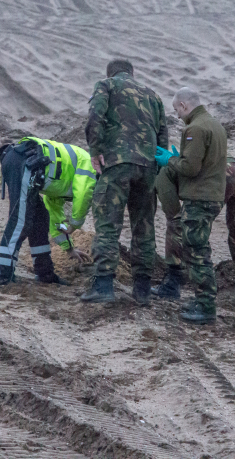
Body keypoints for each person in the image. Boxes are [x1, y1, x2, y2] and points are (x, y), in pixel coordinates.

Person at [82, 59, 168, 304]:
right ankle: (142, 290)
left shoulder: (106, 85)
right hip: (148, 167)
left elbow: (95, 117)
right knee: (144, 227)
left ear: (110, 72)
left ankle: (103, 285)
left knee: (108, 224)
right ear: (132, 73)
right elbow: (163, 135)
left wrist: (95, 150)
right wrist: (157, 167)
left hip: (117, 164)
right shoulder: (153, 95)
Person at [154, 87, 227, 324]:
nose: (177, 116)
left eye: (177, 110)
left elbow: (190, 168)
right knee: (199, 249)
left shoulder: (194, 128)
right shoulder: (214, 124)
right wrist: (179, 159)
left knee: (196, 252)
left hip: (200, 198)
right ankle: (202, 301)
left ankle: (206, 306)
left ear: (184, 106)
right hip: (212, 195)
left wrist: (170, 160)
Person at [0, 137, 95, 285]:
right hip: (26, 161)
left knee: (40, 218)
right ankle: (2, 275)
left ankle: (45, 274)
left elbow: (55, 214)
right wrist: (75, 224)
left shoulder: (63, 182)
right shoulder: (90, 166)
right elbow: (84, 194)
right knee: (20, 222)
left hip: (25, 161)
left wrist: (69, 248)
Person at [153, 155, 235, 299]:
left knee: (184, 226)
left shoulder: (162, 175)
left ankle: (173, 284)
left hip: (220, 176)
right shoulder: (178, 161)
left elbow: (175, 220)